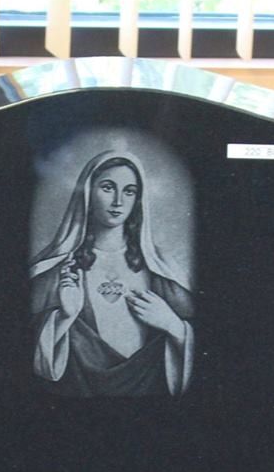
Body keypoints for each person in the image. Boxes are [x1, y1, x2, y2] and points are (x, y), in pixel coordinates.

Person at [30, 150, 194, 397]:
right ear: (87, 193)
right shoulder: (54, 271)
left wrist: (173, 325)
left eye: (129, 191)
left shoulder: (161, 270)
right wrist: (65, 317)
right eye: (108, 188)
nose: (119, 201)